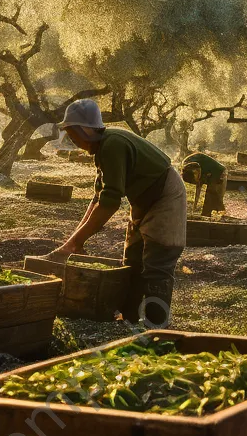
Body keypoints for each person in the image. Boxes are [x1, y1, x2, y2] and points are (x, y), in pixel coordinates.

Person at [47, 99, 186, 327]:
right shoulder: (102, 149)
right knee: (131, 260)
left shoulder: (112, 144)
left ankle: (155, 326)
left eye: (74, 133)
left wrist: (76, 242)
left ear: (87, 129)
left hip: (164, 197)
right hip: (143, 200)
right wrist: (74, 240)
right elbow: (98, 198)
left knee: (157, 262)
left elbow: (110, 203)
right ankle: (128, 318)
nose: (73, 140)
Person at [181, 151, 228, 216]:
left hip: (219, 174)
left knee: (212, 194)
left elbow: (201, 185)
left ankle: (211, 213)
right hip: (205, 171)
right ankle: (204, 213)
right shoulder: (187, 165)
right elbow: (197, 186)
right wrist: (194, 207)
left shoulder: (213, 169)